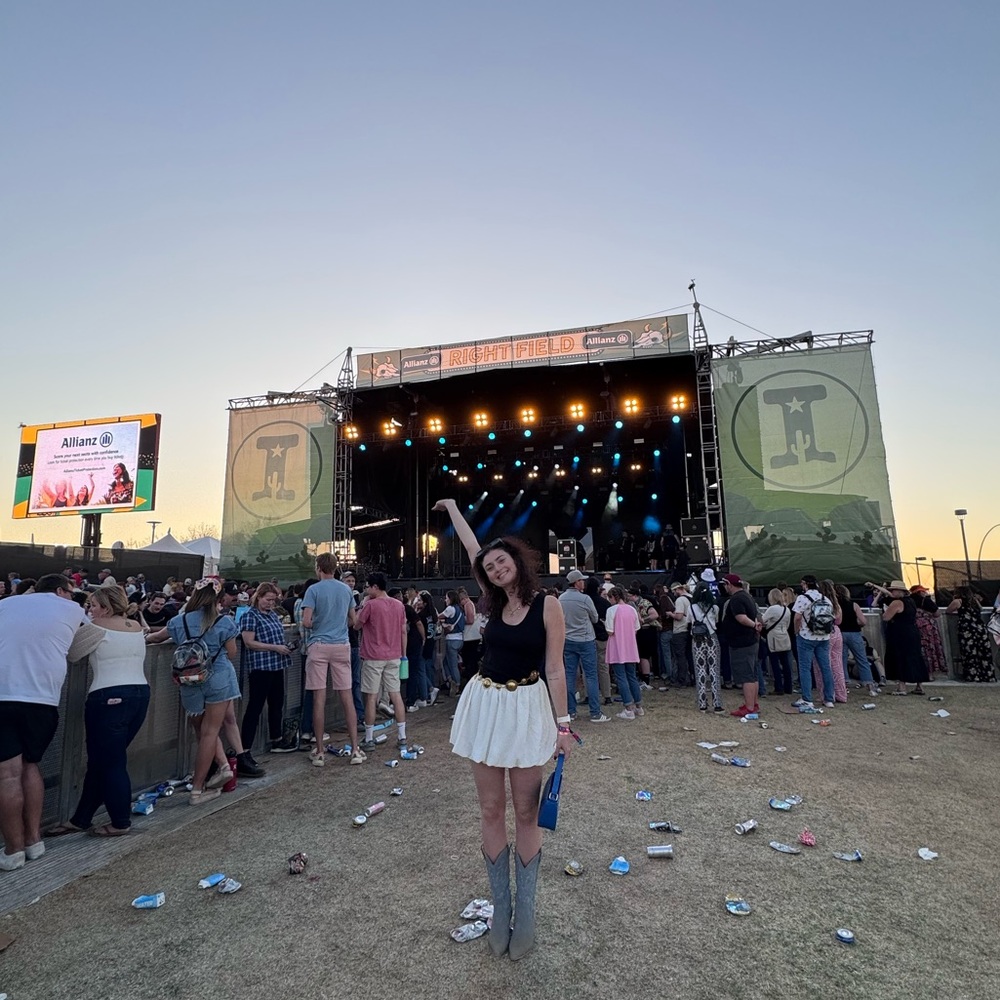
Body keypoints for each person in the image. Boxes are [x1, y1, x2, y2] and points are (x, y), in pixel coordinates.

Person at [434, 498, 573, 961]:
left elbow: (555, 670)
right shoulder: (491, 600)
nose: (495, 568)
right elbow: (475, 546)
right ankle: (501, 908)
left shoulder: (548, 605)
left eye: (501, 561)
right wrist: (453, 508)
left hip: (528, 708)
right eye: (489, 566)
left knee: (527, 813)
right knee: (491, 809)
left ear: (517, 561)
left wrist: (564, 724)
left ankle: (526, 914)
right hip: (486, 707)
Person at [0, 574, 105, 870]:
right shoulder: (71, 610)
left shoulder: (7, 604)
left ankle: (13, 849)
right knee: (31, 766)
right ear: (61, 590)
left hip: (3, 694)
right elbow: (88, 642)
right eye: (72, 593)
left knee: (7, 775)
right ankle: (34, 840)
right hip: (43, 699)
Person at [44, 586, 149, 838]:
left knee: (110, 763)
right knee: (104, 761)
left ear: (105, 607)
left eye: (93, 605)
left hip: (107, 697)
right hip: (140, 693)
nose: (89, 610)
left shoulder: (97, 628)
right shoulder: (135, 626)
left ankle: (120, 821)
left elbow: (73, 654)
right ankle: (82, 818)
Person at [147, 579, 241, 804]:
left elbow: (156, 637)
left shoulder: (179, 621)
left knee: (200, 729)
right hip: (217, 678)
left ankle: (222, 767)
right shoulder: (223, 622)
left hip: (188, 680)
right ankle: (198, 789)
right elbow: (232, 653)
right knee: (211, 732)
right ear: (217, 599)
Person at [301, 554, 364, 766]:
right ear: (336, 568)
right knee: (346, 697)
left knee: (319, 698)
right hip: (341, 646)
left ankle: (319, 751)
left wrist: (321, 622)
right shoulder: (346, 590)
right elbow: (354, 621)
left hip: (319, 645)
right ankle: (355, 749)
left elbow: (307, 622)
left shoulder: (313, 590)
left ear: (318, 567)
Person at [238, 583, 293, 754]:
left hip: (276, 664)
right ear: (259, 597)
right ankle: (245, 748)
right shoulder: (250, 616)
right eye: (268, 599)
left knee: (276, 703)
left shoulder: (272, 615)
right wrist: (275, 648)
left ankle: (276, 739)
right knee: (255, 706)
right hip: (261, 667)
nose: (271, 603)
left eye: (273, 600)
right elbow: (249, 642)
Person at [357, 573, 408, 753]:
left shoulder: (370, 604)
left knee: (371, 697)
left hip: (373, 657)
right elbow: (403, 631)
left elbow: (356, 624)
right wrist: (403, 654)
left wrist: (361, 606)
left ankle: (369, 738)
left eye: (367, 587)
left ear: (375, 587)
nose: (366, 590)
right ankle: (402, 736)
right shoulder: (399, 605)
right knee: (396, 695)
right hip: (394, 655)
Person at [559, 570, 606, 723]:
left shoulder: (561, 598)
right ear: (577, 582)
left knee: (570, 675)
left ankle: (571, 711)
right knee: (591, 675)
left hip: (568, 639)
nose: (584, 583)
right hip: (585, 639)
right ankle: (595, 712)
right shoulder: (585, 599)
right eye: (582, 580)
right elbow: (595, 618)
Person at [871, 581, 929, 694]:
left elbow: (886, 617)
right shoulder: (911, 601)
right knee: (915, 657)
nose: (891, 592)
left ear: (899, 591)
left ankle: (902, 687)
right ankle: (919, 685)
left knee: (900, 657)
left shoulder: (897, 603)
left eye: (893, 590)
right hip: (912, 631)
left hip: (899, 632)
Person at [719, 574, 762, 716]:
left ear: (729, 585)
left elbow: (741, 617)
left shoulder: (736, 599)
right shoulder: (747, 596)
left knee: (746, 675)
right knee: (752, 673)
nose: (724, 588)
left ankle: (749, 707)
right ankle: (753, 704)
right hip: (750, 641)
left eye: (725, 585)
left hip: (741, 642)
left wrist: (754, 625)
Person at [792, 575, 835, 710]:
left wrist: (796, 631)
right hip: (823, 636)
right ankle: (828, 698)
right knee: (825, 667)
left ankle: (807, 699)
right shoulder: (825, 598)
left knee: (805, 668)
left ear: (804, 584)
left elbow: (797, 617)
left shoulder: (802, 598)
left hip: (806, 636)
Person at [835, 584, 880, 696]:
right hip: (854, 633)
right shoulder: (854, 605)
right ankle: (869, 686)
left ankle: (844, 685)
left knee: (841, 660)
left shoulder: (835, 606)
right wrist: (857, 624)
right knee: (862, 659)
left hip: (840, 633)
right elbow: (863, 621)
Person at [605, 587, 643, 719]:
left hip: (617, 647)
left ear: (613, 597)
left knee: (621, 677)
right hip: (630, 647)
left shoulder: (611, 610)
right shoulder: (632, 609)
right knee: (632, 676)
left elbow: (610, 631)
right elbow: (637, 628)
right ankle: (638, 706)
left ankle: (628, 708)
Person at [945, 587, 997, 682]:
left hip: (967, 629)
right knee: (984, 652)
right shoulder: (974, 600)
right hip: (980, 628)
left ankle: (973, 675)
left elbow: (948, 611)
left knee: (969, 653)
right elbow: (980, 609)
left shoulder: (958, 601)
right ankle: (987, 675)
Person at [688, 581, 723, 712]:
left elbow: (689, 621)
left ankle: (702, 703)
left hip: (697, 640)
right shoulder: (715, 607)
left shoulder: (691, 607)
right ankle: (717, 704)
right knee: (714, 670)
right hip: (711, 638)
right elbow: (716, 621)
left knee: (700, 670)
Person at [761, 588, 793, 697]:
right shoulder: (786, 609)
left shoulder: (772, 609)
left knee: (775, 663)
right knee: (786, 664)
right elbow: (788, 624)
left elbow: (762, 620)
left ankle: (778, 687)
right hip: (784, 635)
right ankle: (788, 686)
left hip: (774, 637)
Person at [910, 586, 947, 675]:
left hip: (913, 626)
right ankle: (930, 672)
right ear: (919, 592)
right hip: (927, 627)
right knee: (930, 648)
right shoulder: (926, 601)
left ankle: (918, 671)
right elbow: (937, 613)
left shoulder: (908, 601)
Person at [438, 590, 465, 694]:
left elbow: (438, 616)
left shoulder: (450, 609)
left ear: (450, 598)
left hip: (452, 639)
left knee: (452, 664)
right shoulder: (459, 609)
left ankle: (456, 685)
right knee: (447, 662)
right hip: (460, 639)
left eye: (446, 598)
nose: (445, 600)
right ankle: (451, 680)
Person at [670, 581, 694, 686]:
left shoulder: (680, 600)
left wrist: (671, 614)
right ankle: (693, 677)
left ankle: (682, 679)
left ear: (677, 590)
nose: (673, 593)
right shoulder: (692, 598)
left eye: (673, 591)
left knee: (680, 656)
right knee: (690, 655)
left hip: (680, 630)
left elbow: (679, 617)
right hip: (690, 630)